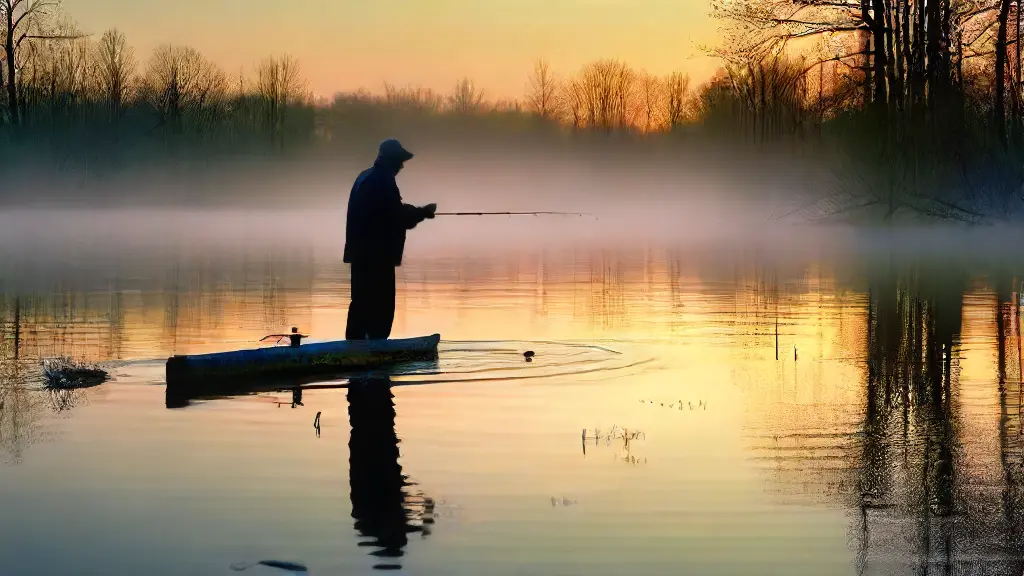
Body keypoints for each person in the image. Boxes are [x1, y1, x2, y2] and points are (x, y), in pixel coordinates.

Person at [344, 139, 437, 340]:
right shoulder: (382, 181)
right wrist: (422, 213)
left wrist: (416, 212)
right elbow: (396, 216)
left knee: (360, 304)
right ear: (390, 160)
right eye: (400, 161)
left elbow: (388, 211)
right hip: (377, 256)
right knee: (381, 308)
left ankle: (354, 350)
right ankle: (376, 352)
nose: (402, 166)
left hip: (361, 255)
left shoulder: (365, 177)